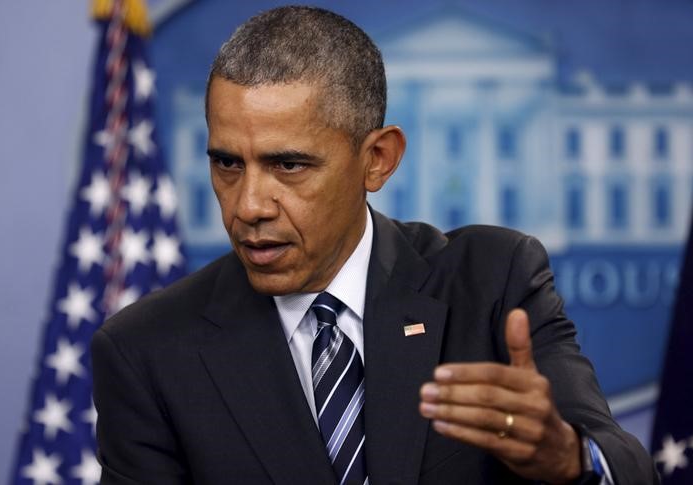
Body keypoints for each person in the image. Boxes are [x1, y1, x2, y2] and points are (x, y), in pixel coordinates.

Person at [91, 6, 657, 484]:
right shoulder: (146, 351)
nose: (248, 206)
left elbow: (631, 467)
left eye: (288, 165)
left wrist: (570, 456)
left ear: (377, 159)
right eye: (227, 164)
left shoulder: (491, 281)